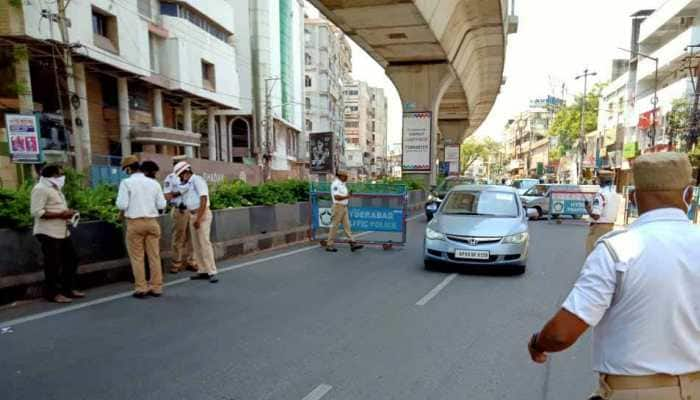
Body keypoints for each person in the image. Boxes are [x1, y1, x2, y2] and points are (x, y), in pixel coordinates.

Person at [528, 152, 700, 400]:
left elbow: (560, 334)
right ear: (689, 195)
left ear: (633, 197)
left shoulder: (617, 250)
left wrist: (537, 344)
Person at [30, 164, 85, 303]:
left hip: (62, 231)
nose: (62, 177)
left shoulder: (54, 188)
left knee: (71, 259)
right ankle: (52, 293)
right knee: (52, 264)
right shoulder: (40, 189)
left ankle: (68, 289)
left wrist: (68, 214)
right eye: (60, 174)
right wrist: (61, 215)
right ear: (53, 175)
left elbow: (56, 207)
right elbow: (37, 212)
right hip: (47, 232)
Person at [116, 155, 167, 298]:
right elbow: (162, 205)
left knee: (137, 257)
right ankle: (156, 287)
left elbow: (122, 205)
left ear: (128, 169)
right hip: (152, 223)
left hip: (135, 223)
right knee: (154, 256)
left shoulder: (126, 183)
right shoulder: (153, 183)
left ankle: (141, 288)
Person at [173, 161, 218, 283]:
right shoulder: (188, 184)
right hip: (192, 214)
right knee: (196, 244)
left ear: (186, 172)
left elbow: (203, 199)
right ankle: (202, 270)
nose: (180, 178)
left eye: (180, 175)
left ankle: (212, 271)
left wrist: (198, 218)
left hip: (201, 214)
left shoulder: (197, 180)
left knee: (204, 243)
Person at [163, 159, 196, 274]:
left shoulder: (192, 178)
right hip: (179, 210)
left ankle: (191, 261)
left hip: (191, 209)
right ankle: (176, 263)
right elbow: (167, 196)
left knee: (192, 237)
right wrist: (180, 192)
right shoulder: (170, 178)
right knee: (178, 237)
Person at [584, 169, 621, 254]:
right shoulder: (615, 194)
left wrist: (588, 209)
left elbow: (596, 216)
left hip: (598, 229)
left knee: (592, 255)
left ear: (600, 180)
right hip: (610, 227)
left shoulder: (600, 195)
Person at [325, 170, 363, 253]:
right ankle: (329, 244)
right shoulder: (336, 184)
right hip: (338, 207)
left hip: (344, 207)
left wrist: (347, 196)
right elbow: (337, 197)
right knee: (334, 226)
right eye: (345, 176)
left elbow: (343, 196)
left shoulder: (343, 184)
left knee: (347, 226)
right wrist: (347, 196)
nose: (346, 177)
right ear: (340, 176)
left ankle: (353, 243)